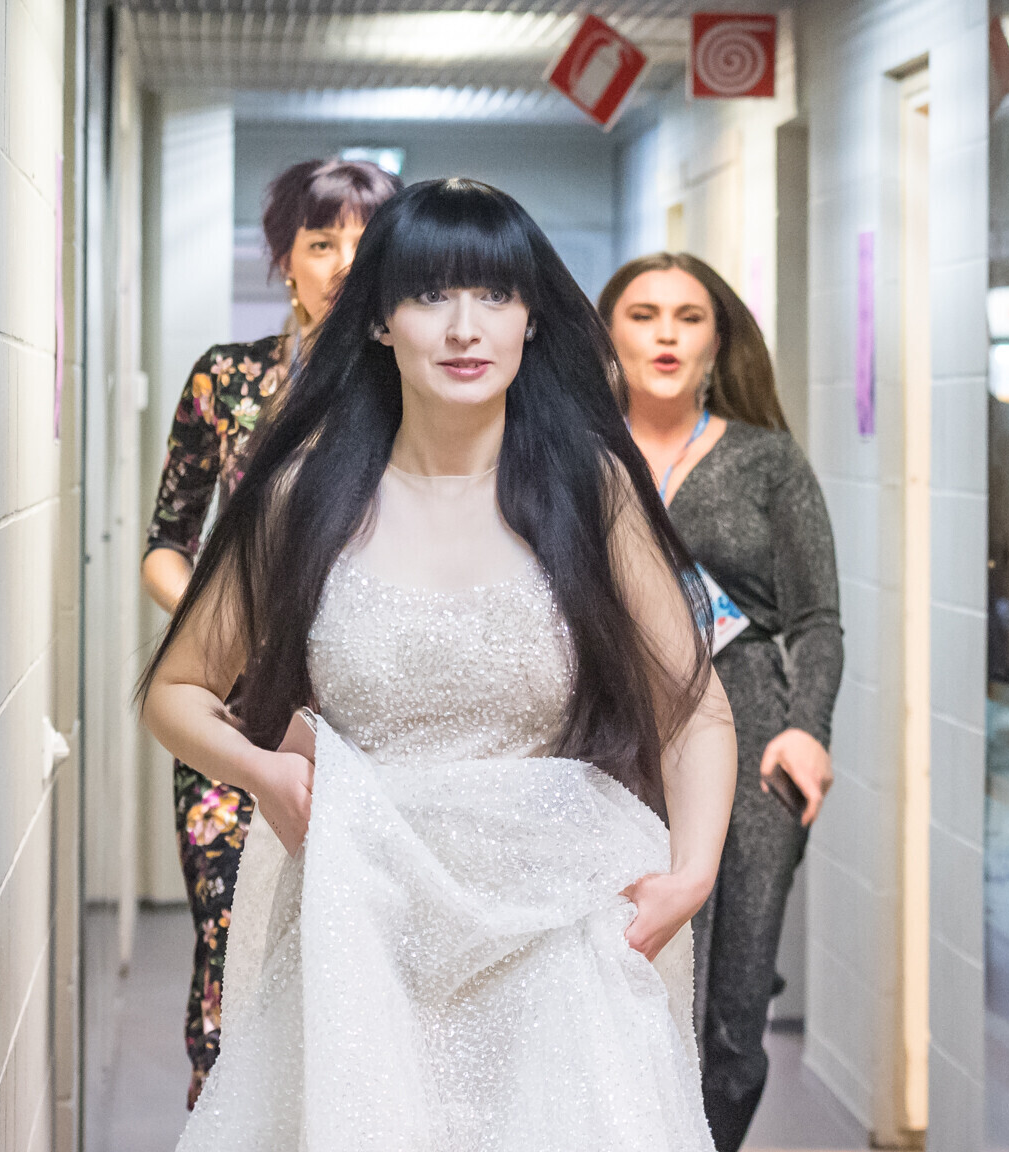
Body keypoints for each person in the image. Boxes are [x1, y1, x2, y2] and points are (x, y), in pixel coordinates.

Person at [141, 179, 737, 1149]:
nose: (465, 328)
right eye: (429, 296)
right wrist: (263, 773)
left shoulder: (588, 490)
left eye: (495, 296)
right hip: (361, 923)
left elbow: (695, 706)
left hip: (557, 930)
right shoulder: (305, 495)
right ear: (380, 320)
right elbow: (176, 692)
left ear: (530, 318)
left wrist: (693, 871)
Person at [141, 156, 401, 1107]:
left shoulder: (411, 388)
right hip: (236, 715)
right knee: (229, 943)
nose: (343, 263)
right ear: (284, 260)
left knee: (353, 957)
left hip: (372, 718)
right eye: (320, 242)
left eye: (366, 244)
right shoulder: (229, 379)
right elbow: (166, 541)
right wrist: (224, 628)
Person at [600, 252, 844, 1152]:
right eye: (644, 314)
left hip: (751, 733)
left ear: (716, 341)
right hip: (611, 740)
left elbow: (818, 620)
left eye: (689, 316)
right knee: (615, 983)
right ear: (609, 334)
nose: (666, 333)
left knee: (734, 1022)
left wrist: (806, 730)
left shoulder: (767, 461)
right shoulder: (578, 453)